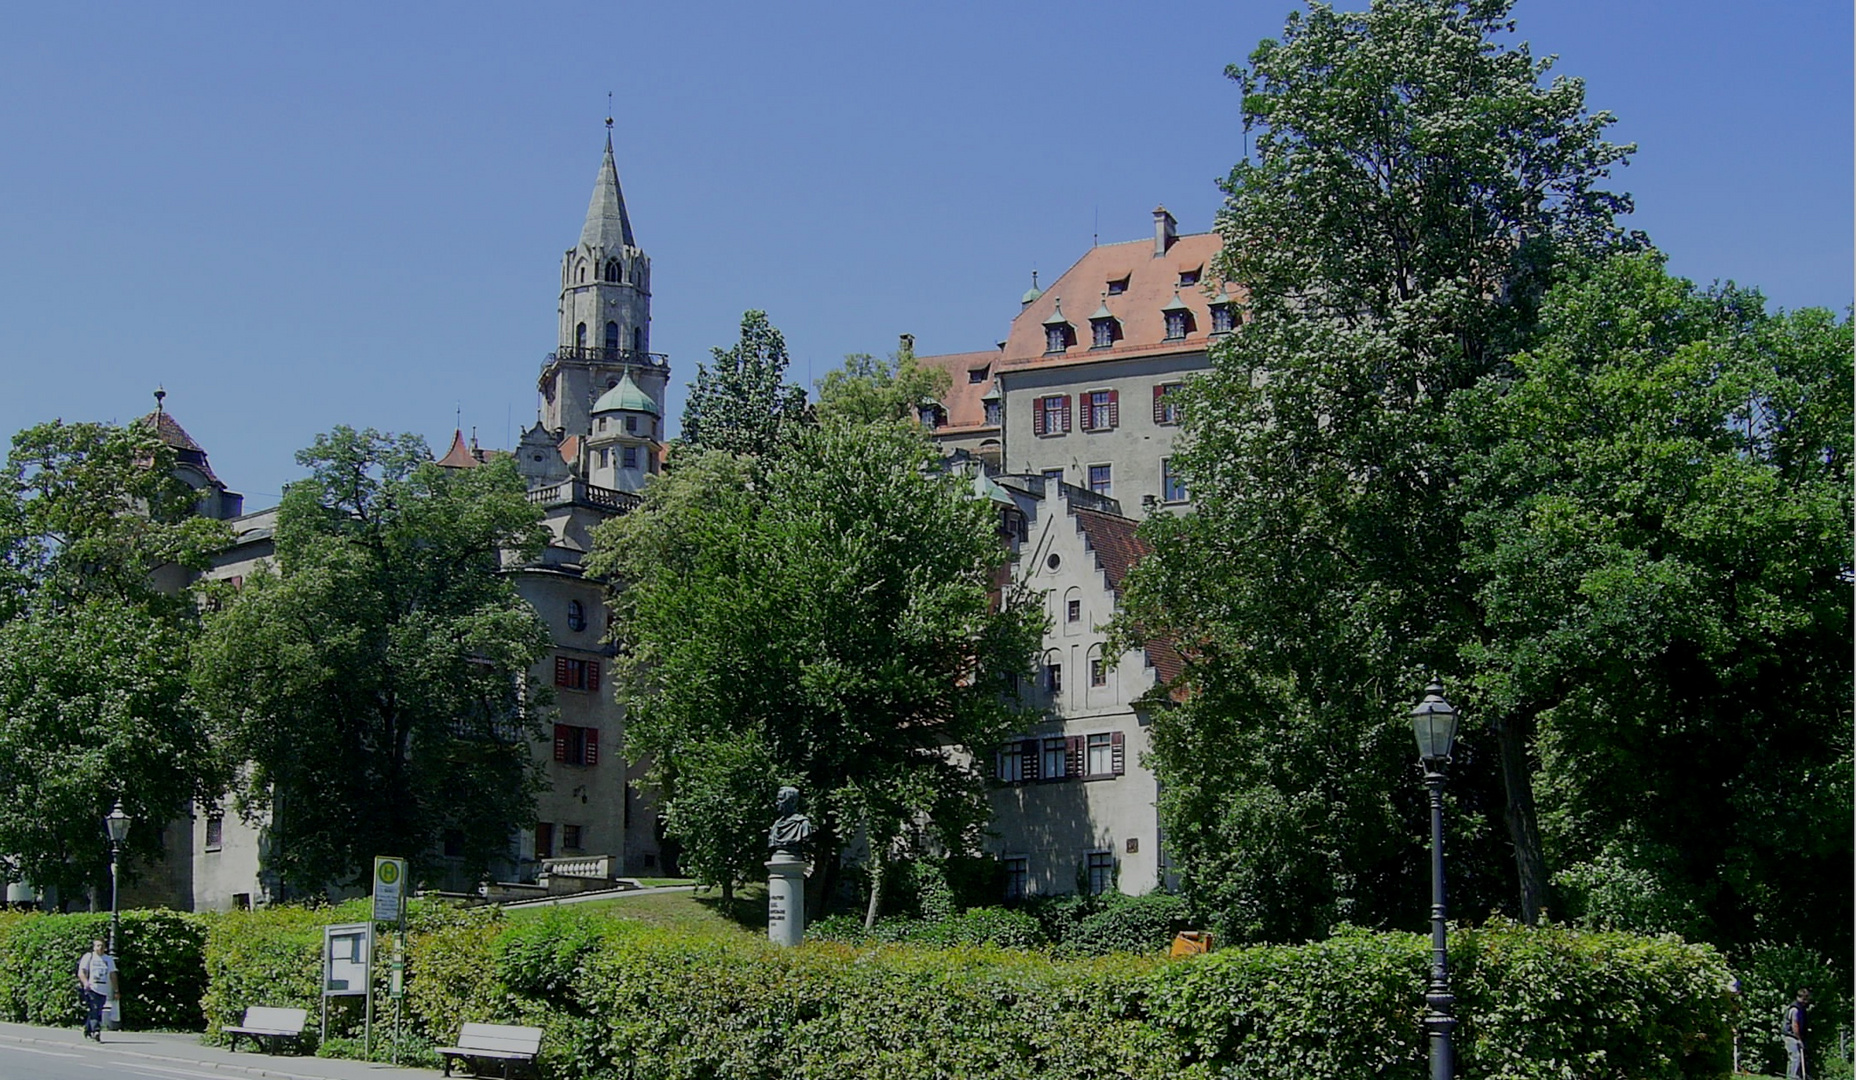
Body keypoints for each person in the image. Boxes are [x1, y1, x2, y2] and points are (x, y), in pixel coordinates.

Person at [76, 939, 115, 1042]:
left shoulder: (108, 959)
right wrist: (86, 983)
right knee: (95, 1009)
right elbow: (81, 972)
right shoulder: (89, 957)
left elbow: (112, 974)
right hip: (91, 988)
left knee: (97, 1011)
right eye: (98, 946)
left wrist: (116, 990)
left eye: (102, 946)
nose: (100, 948)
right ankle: (96, 1031)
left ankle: (87, 1029)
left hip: (104, 989)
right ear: (94, 947)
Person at [1783, 986, 1811, 1080]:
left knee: (1796, 1058)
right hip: (1791, 1036)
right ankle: (1793, 1078)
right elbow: (1795, 1025)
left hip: (1795, 1036)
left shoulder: (1800, 1008)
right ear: (1803, 998)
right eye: (1806, 999)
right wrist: (1799, 1039)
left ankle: (1795, 1077)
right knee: (1795, 1057)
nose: (1807, 1001)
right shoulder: (1795, 1009)